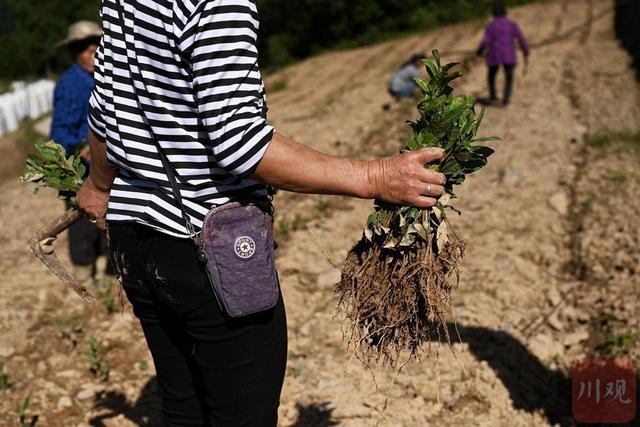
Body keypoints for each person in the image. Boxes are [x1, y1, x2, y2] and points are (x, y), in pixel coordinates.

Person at [77, 1, 446, 425]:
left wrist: (100, 185)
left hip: (134, 236)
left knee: (184, 407)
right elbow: (238, 140)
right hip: (205, 244)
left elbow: (105, 109)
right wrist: (373, 176)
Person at [51, 21, 109, 283]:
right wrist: (82, 147)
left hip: (110, 167)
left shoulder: (110, 79)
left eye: (97, 48)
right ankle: (85, 279)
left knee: (111, 222)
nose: (93, 54)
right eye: (87, 50)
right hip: (81, 170)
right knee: (82, 225)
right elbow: (60, 132)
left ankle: (112, 275)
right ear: (76, 53)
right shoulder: (69, 85)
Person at [477, 3, 529, 106]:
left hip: (494, 55)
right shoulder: (511, 24)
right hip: (509, 55)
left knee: (491, 75)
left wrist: (479, 51)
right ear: (505, 13)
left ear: (493, 14)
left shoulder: (491, 26)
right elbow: (521, 38)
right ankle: (505, 100)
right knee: (509, 77)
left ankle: (493, 96)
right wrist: (525, 51)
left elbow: (486, 41)